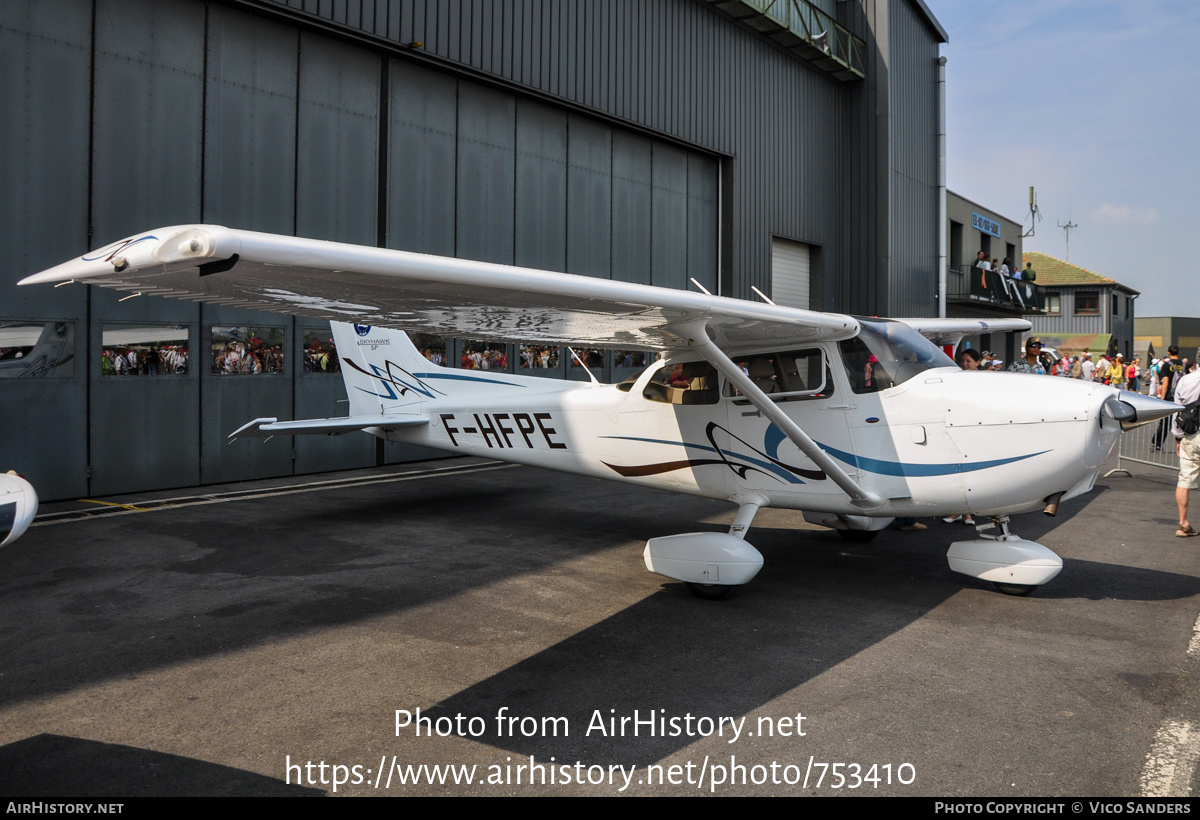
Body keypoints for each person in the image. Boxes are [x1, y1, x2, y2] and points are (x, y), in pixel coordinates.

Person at [1172, 362, 1200, 536]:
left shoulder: (1186, 380)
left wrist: (1178, 437)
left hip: (1190, 434)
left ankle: (1183, 524)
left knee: (1184, 480)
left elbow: (1177, 410)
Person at [1154, 346, 1184, 450]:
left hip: (1169, 397)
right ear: (1179, 352)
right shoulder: (1183, 365)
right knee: (1182, 422)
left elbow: (1165, 383)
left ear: (1168, 352)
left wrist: (1162, 398)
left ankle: (1157, 443)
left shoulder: (1167, 365)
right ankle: (1183, 445)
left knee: (1165, 423)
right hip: (1181, 397)